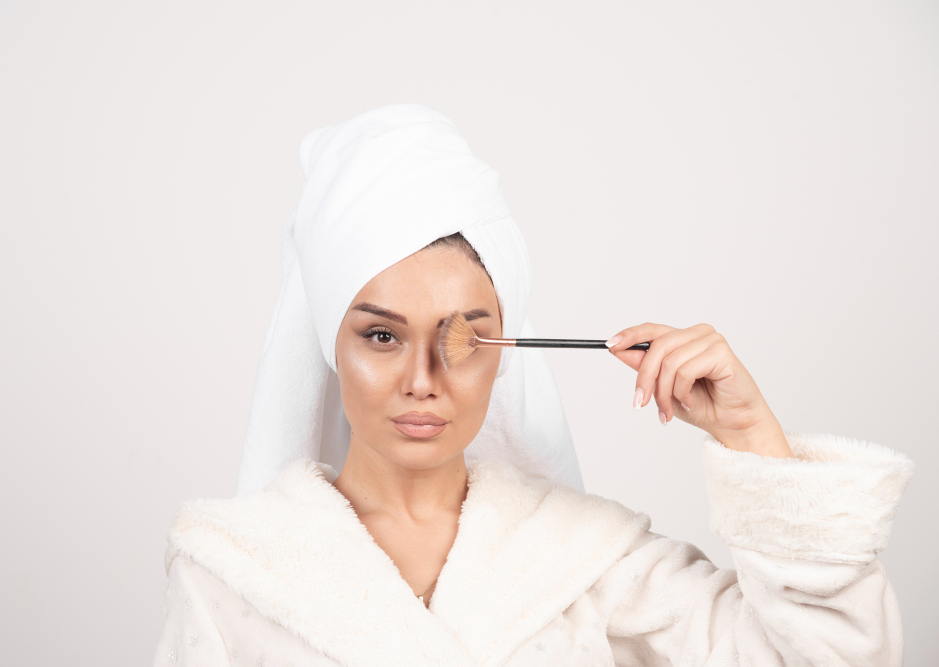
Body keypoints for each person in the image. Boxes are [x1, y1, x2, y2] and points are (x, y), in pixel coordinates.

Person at [152, 103, 914, 666]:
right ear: (331, 344)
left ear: (503, 350)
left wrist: (751, 433)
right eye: (382, 336)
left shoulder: (584, 561)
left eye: (462, 337)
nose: (422, 380)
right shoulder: (233, 568)